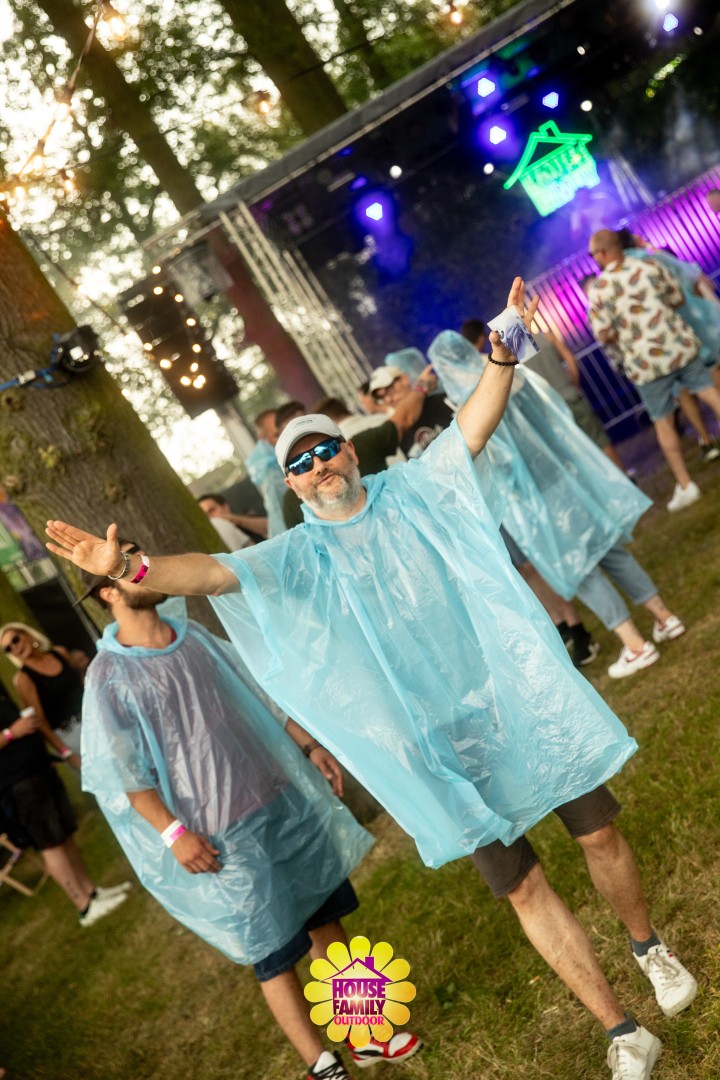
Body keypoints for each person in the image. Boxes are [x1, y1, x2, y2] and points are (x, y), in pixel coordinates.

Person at [47, 280, 697, 1079]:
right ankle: (620, 1029)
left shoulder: (415, 490)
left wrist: (503, 353)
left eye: (326, 449)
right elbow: (211, 573)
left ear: (349, 451)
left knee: (598, 832)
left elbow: (474, 424)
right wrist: (131, 569)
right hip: (436, 748)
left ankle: (649, 947)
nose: (318, 465)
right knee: (522, 887)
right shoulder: (293, 558)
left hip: (513, 702)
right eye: (300, 463)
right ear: (290, 485)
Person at [76, 562, 418, 1079]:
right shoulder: (109, 674)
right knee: (272, 947)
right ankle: (320, 1063)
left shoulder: (193, 636)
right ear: (107, 594)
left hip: (277, 798)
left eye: (139, 559)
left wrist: (309, 745)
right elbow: (124, 772)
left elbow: (259, 695)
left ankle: (365, 1034)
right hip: (220, 832)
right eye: (126, 568)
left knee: (325, 917)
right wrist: (173, 833)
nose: (142, 570)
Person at [428, 330, 686, 680]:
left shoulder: (471, 405)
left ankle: (635, 645)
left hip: (532, 499)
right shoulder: (509, 376)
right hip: (564, 475)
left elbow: (496, 462)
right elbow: (553, 412)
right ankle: (664, 617)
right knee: (609, 548)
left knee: (580, 567)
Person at [587, 229, 720, 511]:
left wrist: (625, 330)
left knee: (663, 421)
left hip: (645, 363)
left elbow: (602, 333)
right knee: (709, 392)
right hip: (678, 345)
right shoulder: (649, 265)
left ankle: (686, 484)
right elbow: (677, 298)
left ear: (602, 253)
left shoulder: (600, 289)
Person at [0, 689, 130, 926]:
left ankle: (91, 892)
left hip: (37, 768)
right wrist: (11, 733)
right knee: (51, 844)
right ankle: (83, 905)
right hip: (16, 782)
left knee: (64, 835)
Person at [460, 317, 628, 473]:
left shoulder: (515, 356)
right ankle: (625, 477)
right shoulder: (547, 336)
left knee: (575, 451)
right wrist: (573, 384)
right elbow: (570, 360)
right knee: (600, 440)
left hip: (549, 408)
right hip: (570, 395)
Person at [1, 622, 84, 766]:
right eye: (8, 648)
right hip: (73, 735)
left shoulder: (60, 652)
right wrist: (67, 753)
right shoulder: (23, 680)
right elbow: (40, 722)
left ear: (26, 634)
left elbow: (81, 682)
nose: (15, 647)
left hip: (99, 717)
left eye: (15, 640)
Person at [245, 408, 288, 539]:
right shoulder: (272, 475)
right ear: (263, 439)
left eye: (285, 430)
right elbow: (280, 523)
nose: (285, 437)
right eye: (277, 434)